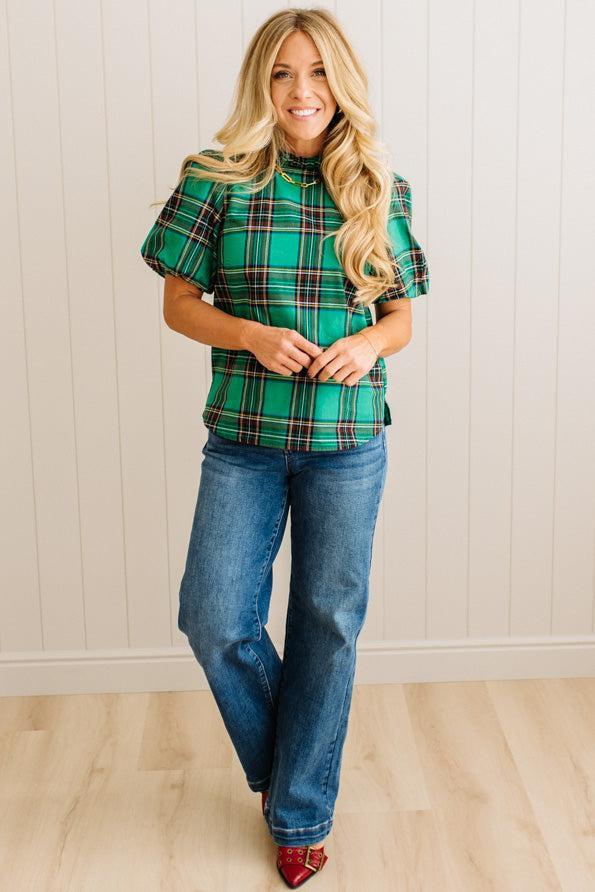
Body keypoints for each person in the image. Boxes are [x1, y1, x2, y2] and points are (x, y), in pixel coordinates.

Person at [139, 8, 429, 888]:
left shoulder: (378, 184)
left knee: (326, 626)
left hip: (348, 443)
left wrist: (370, 345)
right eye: (280, 74)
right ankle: (290, 779)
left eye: (315, 73)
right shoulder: (213, 178)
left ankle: (299, 814)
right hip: (245, 437)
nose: (300, 92)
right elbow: (178, 305)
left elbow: (402, 316)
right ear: (259, 84)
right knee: (214, 616)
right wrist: (250, 335)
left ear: (340, 83)